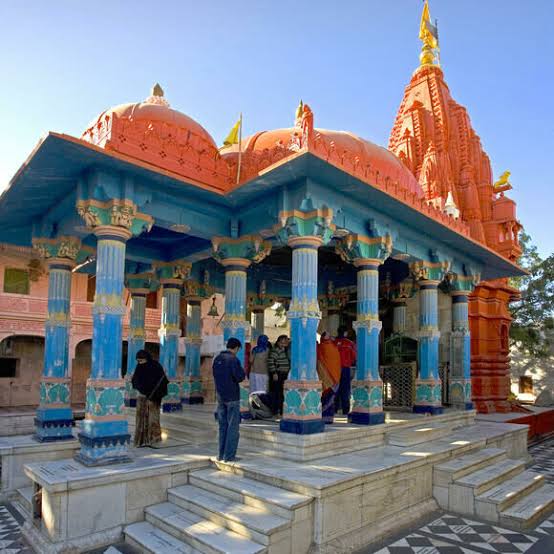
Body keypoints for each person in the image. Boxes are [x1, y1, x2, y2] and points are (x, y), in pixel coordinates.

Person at [213, 337, 245, 462]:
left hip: (220, 396)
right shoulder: (233, 360)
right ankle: (229, 456)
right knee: (233, 427)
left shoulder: (217, 359)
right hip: (232, 397)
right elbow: (240, 376)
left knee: (222, 426)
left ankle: (220, 454)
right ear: (236, 348)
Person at [131, 349, 168, 447]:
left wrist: (153, 394)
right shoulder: (139, 367)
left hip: (154, 398)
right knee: (140, 419)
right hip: (142, 397)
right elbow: (135, 380)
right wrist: (141, 390)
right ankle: (141, 440)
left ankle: (154, 440)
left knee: (153, 419)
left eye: (142, 361)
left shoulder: (156, 366)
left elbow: (163, 382)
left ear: (147, 359)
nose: (140, 363)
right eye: (138, 361)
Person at [316, 332, 342, 423]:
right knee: (327, 397)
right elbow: (319, 360)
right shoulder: (322, 347)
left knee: (329, 398)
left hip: (334, 377)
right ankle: (325, 417)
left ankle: (328, 418)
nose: (330, 336)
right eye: (328, 335)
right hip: (327, 376)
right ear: (323, 337)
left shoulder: (332, 346)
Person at [334, 326, 357, 415]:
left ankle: (334, 409)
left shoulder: (334, 342)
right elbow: (354, 357)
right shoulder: (349, 343)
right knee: (345, 389)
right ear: (345, 333)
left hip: (335, 369)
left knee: (335, 389)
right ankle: (345, 410)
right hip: (345, 368)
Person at [268, 335, 290, 415]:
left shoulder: (285, 350)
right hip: (278, 374)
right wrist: (274, 373)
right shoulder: (275, 350)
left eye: (285, 342)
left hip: (284, 374)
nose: (284, 344)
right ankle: (275, 410)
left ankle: (281, 410)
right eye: (282, 342)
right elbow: (271, 361)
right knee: (277, 392)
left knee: (282, 393)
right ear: (278, 342)